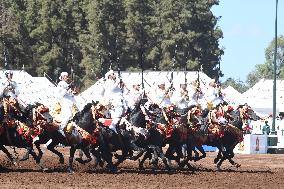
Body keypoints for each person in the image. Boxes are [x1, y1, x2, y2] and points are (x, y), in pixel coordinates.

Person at [56, 71, 78, 137]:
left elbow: (70, 93)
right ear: (62, 77)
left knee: (74, 116)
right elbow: (62, 94)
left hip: (71, 101)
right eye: (65, 76)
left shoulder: (66, 83)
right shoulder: (60, 83)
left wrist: (74, 91)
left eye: (67, 76)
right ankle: (61, 129)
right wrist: (68, 87)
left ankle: (71, 131)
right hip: (65, 102)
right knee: (68, 115)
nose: (67, 77)